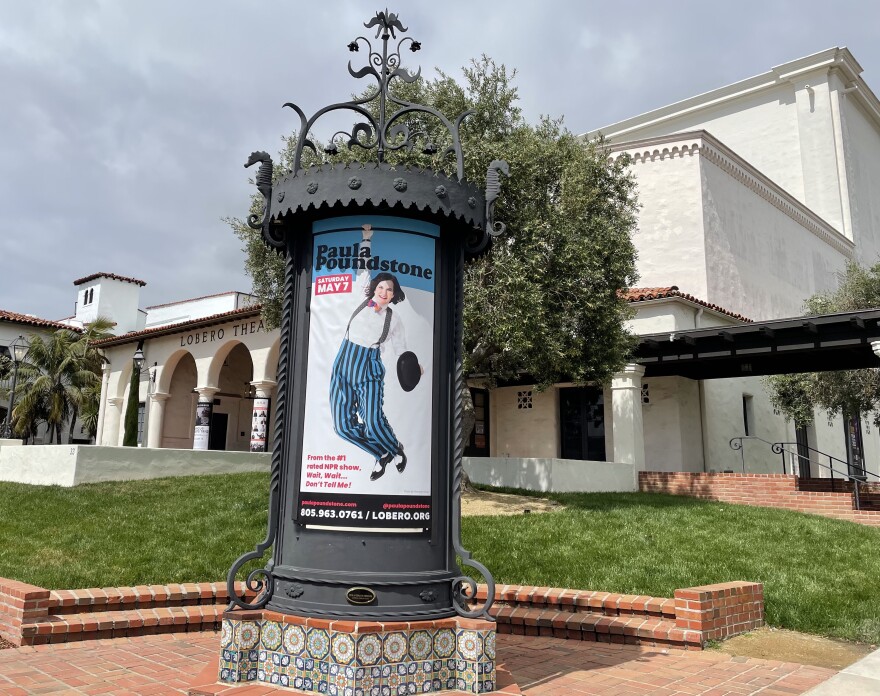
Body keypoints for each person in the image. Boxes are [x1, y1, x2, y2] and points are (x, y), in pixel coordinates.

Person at [329, 224, 417, 481]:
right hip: (344, 361)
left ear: (393, 294)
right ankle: (381, 453)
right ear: (375, 287)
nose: (384, 291)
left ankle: (396, 451)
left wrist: (414, 368)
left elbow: (402, 351)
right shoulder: (361, 298)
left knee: (373, 421)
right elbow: (363, 268)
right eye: (381, 287)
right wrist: (366, 240)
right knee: (342, 427)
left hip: (369, 366)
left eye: (389, 289)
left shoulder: (394, 320)